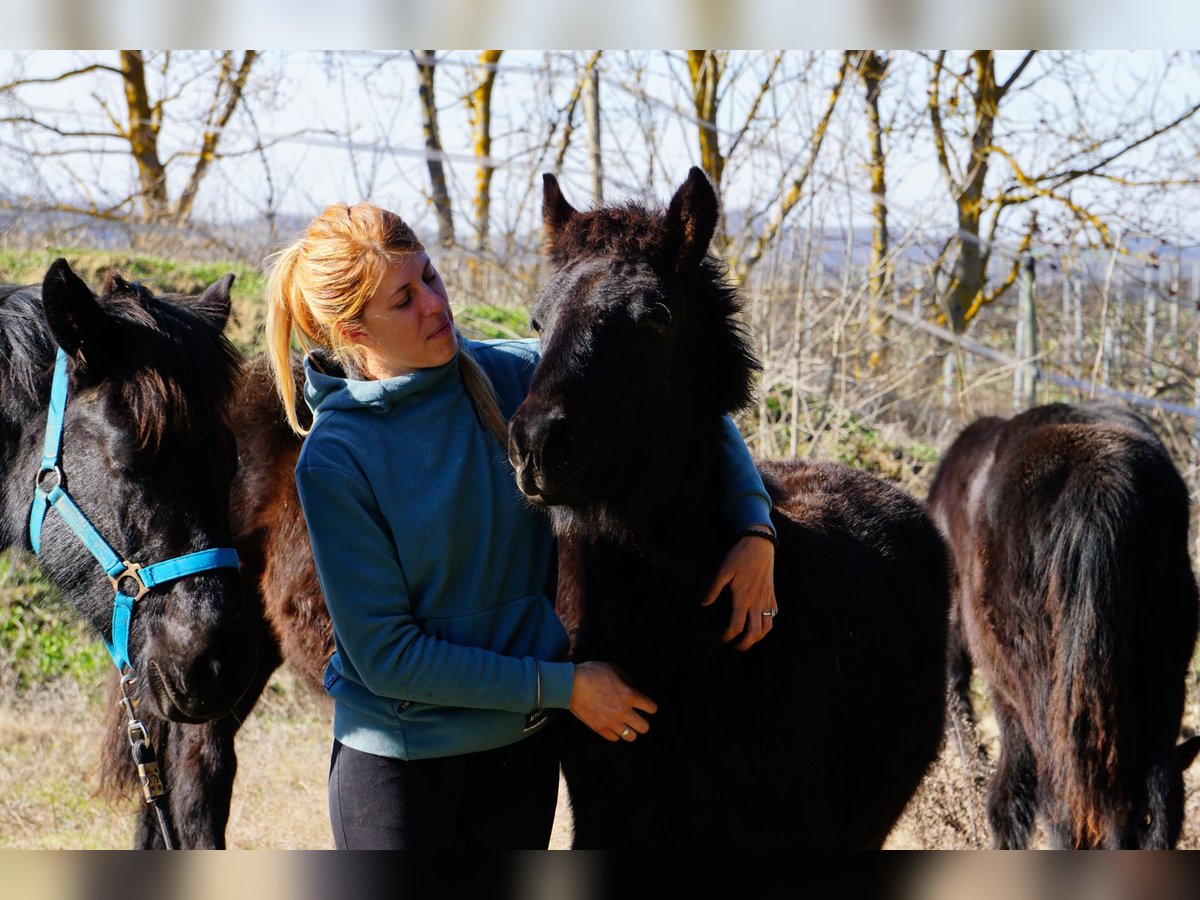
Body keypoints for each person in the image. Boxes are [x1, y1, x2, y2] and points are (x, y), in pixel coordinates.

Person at [263, 201, 778, 850]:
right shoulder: (337, 458)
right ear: (355, 331)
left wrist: (755, 527)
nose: (434, 304)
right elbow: (387, 657)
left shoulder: (510, 378)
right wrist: (564, 688)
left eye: (430, 276)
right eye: (403, 299)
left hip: (519, 757)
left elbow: (670, 396)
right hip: (399, 770)